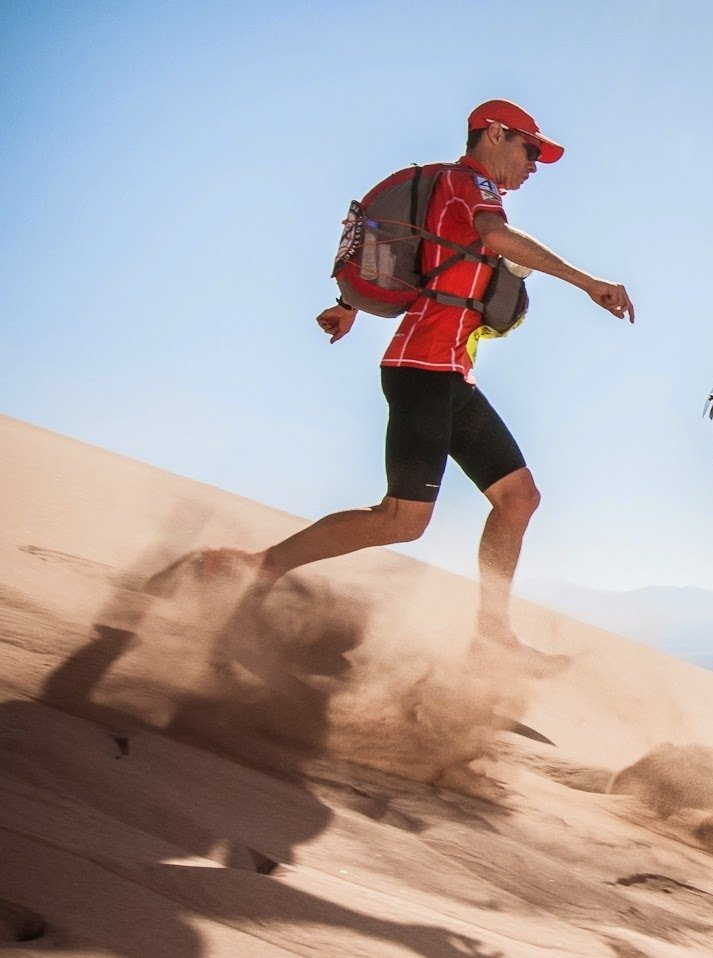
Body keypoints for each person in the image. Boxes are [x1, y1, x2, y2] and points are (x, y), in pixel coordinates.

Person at [216, 99, 634, 655]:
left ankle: (490, 636)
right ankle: (260, 567)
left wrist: (349, 304)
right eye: (529, 150)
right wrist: (588, 282)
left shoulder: (460, 191)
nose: (534, 164)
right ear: (494, 134)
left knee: (518, 498)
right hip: (420, 371)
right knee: (401, 520)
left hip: (450, 376)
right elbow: (494, 238)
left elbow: (420, 257)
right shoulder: (469, 184)